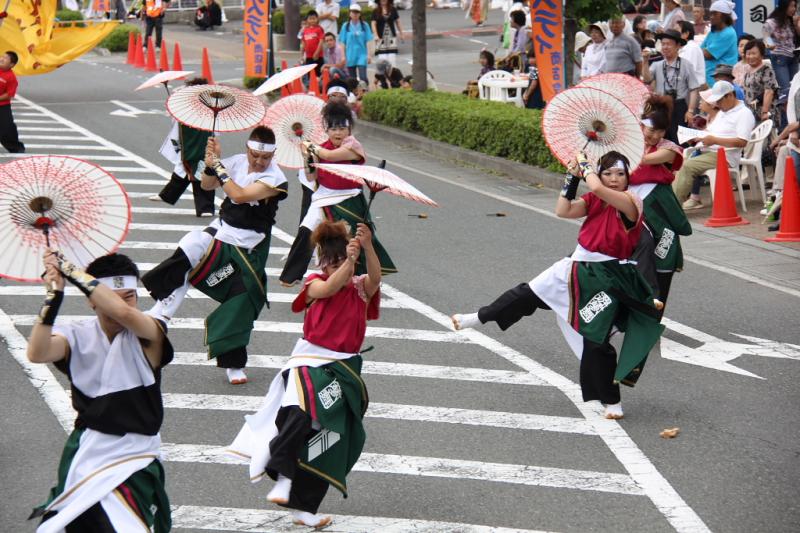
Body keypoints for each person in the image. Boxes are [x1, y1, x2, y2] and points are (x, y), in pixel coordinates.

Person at [451, 150, 664, 420]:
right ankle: (478, 318)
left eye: (620, 174)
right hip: (575, 267)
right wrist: (572, 178)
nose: (614, 179)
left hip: (608, 279)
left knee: (597, 339)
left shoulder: (631, 202)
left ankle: (612, 402)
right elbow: (563, 211)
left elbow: (597, 186)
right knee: (526, 294)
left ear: (627, 177)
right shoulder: (595, 199)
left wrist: (585, 166)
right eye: (608, 173)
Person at [228, 220, 380, 529]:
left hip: (345, 368)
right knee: (301, 413)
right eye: (332, 260)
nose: (338, 265)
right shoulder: (312, 281)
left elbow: (375, 278)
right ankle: (283, 476)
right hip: (310, 360)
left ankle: (303, 504)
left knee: (331, 435)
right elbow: (330, 287)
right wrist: (348, 261)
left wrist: (368, 247)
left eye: (342, 259)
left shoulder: (360, 286)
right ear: (323, 260)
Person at [27, 252, 172, 532]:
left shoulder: (150, 331)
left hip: (136, 455)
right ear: (91, 301)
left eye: (129, 295)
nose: (121, 303)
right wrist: (53, 297)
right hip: (87, 450)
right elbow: (38, 352)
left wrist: (72, 271)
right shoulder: (77, 335)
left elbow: (123, 313)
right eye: (111, 295)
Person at [142, 127, 288, 385]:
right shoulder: (236, 162)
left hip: (249, 246)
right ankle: (162, 313)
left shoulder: (275, 178)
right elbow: (207, 185)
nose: (259, 161)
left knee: (241, 302)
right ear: (248, 149)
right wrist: (209, 165)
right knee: (191, 245)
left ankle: (234, 365)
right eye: (255, 155)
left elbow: (239, 195)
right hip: (222, 231)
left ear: (273, 155)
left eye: (265, 157)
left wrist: (219, 167)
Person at [279, 102, 396, 287]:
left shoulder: (352, 146)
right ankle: (292, 275)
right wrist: (307, 159)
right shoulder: (321, 147)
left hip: (349, 197)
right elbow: (311, 176)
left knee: (352, 240)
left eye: (342, 128)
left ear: (349, 128)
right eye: (333, 128)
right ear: (327, 129)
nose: (338, 133)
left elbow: (331, 156)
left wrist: (312, 148)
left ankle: (364, 278)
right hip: (323, 197)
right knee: (306, 231)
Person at [629, 95, 692, 307]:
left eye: (660, 131)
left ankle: (655, 308)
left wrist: (623, 149)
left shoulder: (669, 149)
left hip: (659, 207)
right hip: (629, 205)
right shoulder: (628, 144)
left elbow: (646, 160)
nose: (655, 135)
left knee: (666, 250)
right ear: (641, 126)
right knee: (639, 245)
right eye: (651, 130)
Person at [673, 80, 755, 209]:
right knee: (680, 163)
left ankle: (672, 206)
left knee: (687, 166)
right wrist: (696, 137)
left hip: (724, 155)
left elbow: (742, 142)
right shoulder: (724, 111)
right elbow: (712, 132)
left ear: (730, 95)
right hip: (710, 150)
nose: (718, 104)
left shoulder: (744, 114)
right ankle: (674, 202)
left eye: (719, 101)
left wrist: (714, 140)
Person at [152, 77, 215, 217]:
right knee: (184, 168)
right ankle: (167, 195)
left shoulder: (211, 105)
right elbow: (175, 120)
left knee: (201, 170)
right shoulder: (186, 105)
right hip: (188, 142)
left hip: (203, 142)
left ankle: (205, 207)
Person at [642, 29, 702, 144]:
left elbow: (694, 89)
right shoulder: (657, 64)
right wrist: (645, 61)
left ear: (678, 46)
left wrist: (690, 111)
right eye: (663, 44)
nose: (665, 47)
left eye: (668, 44)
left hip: (679, 106)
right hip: (661, 107)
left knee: (680, 140)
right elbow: (646, 79)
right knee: (661, 139)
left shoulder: (686, 65)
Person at [763, 0, 798, 102]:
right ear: (784, 6)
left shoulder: (790, 21)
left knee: (794, 88)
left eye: (795, 6)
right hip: (780, 58)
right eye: (791, 6)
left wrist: (796, 26)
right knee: (785, 90)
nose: (794, 9)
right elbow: (765, 35)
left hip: (793, 57)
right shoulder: (772, 21)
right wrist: (770, 45)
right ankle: (784, 116)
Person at [700, 0, 738, 87]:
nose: (711, 17)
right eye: (711, 14)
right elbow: (700, 50)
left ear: (724, 16)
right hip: (709, 79)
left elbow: (707, 54)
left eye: (714, 14)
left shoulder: (728, 33)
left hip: (721, 81)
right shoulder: (713, 32)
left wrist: (702, 51)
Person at [743, 39, 779, 123]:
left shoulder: (766, 70)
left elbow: (769, 92)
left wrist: (765, 112)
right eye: (748, 54)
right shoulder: (747, 71)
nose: (750, 56)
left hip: (765, 114)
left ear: (762, 55)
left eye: (754, 53)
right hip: (751, 114)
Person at [339, 3, 373, 82]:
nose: (355, 14)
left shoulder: (364, 25)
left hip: (362, 54)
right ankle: (355, 93)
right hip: (350, 55)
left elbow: (368, 41)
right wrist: (343, 56)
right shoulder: (345, 26)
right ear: (350, 13)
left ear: (360, 14)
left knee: (363, 77)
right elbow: (342, 42)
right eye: (353, 12)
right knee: (352, 79)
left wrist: (369, 55)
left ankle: (365, 91)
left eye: (357, 12)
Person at [0, 51, 24, 154]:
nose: (2, 59)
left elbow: (9, 95)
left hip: (3, 107)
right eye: (2, 56)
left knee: (7, 129)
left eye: (6, 58)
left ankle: (16, 147)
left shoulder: (11, 77)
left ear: (11, 65)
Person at [371, 0, 404, 67]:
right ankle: (383, 76)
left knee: (392, 60)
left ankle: (392, 75)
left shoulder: (393, 9)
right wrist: (376, 35)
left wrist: (401, 33)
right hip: (380, 39)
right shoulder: (376, 11)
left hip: (391, 38)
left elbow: (398, 22)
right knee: (382, 60)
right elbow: (373, 24)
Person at [678, 21, 707, 90]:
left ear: (686, 34)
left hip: (693, 90)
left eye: (676, 31)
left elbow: (687, 73)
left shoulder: (691, 48)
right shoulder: (683, 48)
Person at [301, 10, 326, 75]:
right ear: (307, 20)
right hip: (308, 57)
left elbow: (321, 41)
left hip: (318, 56)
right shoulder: (305, 30)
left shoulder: (319, 29)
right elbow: (303, 43)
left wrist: (317, 52)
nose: (312, 20)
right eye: (310, 19)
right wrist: (302, 55)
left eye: (314, 18)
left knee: (318, 73)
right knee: (310, 74)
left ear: (317, 19)